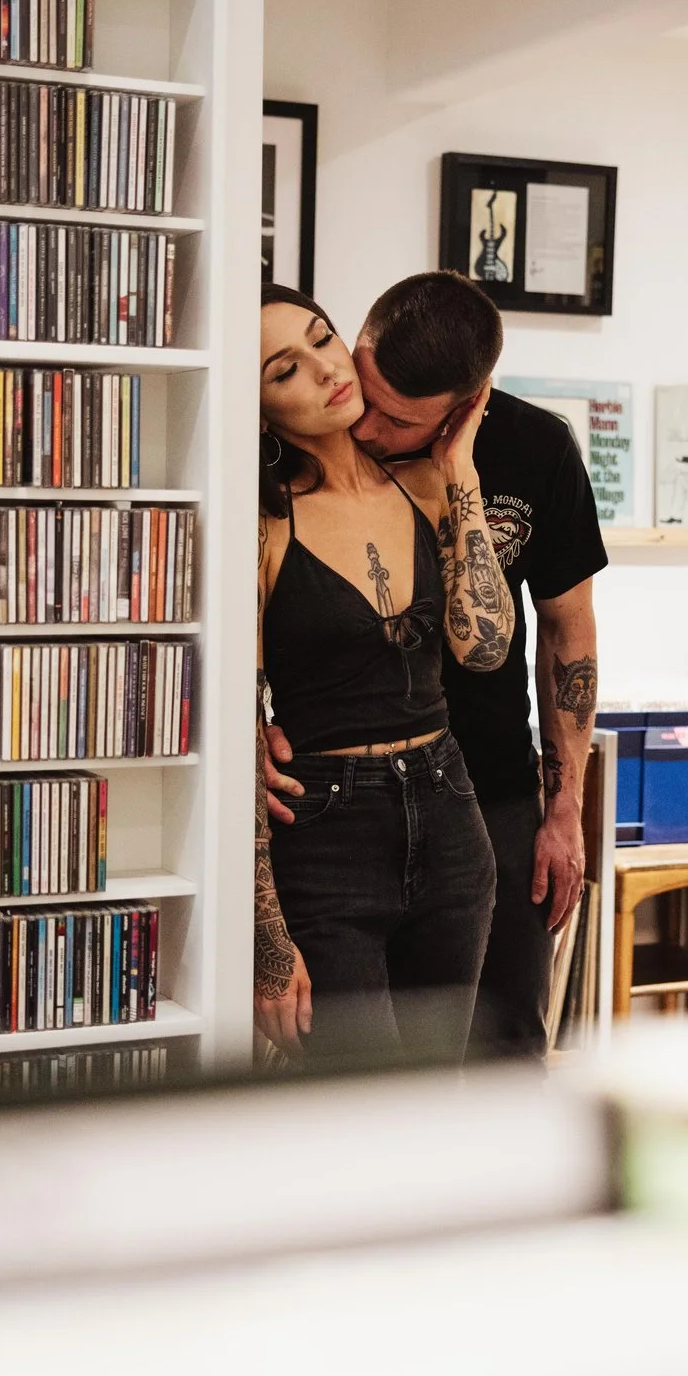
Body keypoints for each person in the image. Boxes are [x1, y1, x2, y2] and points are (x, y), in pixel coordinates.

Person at [266, 272, 606, 1061]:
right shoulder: (298, 462)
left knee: (504, 1041)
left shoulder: (534, 448)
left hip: (488, 788)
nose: (366, 424)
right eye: (367, 387)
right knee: (360, 1065)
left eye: (397, 420)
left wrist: (565, 804)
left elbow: (567, 632)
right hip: (336, 801)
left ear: (464, 406)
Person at [253, 284, 517, 1066]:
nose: (324, 369)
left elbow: (484, 647)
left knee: (435, 1091)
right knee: (354, 1097)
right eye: (283, 371)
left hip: (449, 815)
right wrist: (266, 937)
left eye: (322, 338)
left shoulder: (428, 486)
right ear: (259, 407)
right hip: (325, 832)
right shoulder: (263, 523)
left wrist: (459, 467)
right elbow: (237, 730)